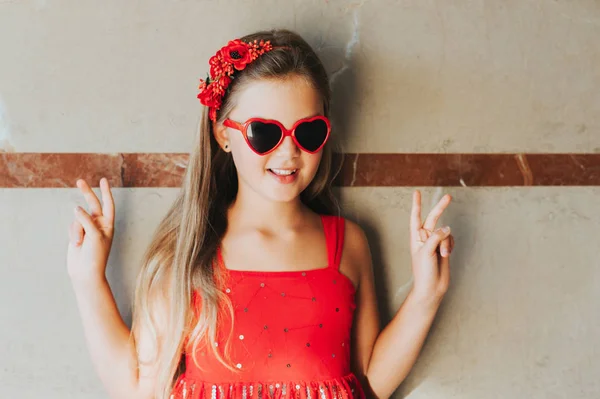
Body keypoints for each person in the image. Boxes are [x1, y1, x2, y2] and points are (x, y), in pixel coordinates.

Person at [67, 29, 454, 399]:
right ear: (223, 134)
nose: (288, 153)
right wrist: (87, 278)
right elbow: (137, 387)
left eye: (308, 133)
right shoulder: (186, 253)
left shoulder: (347, 244)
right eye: (265, 133)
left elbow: (368, 383)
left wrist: (426, 294)